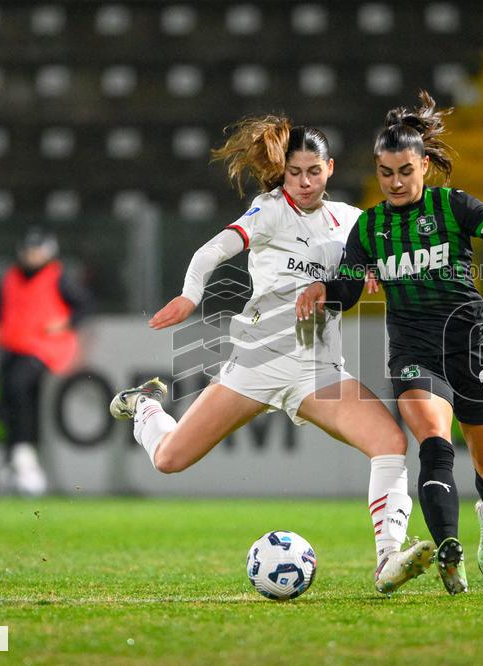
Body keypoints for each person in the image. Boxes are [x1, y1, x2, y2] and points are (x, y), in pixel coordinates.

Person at [108, 116, 435, 595]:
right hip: (256, 364)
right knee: (170, 459)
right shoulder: (268, 211)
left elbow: (373, 271)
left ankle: (388, 558)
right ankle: (147, 406)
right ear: (283, 173)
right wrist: (190, 295)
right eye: (294, 172)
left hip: (317, 370)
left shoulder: (350, 221)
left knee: (389, 442)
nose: (304, 183)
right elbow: (212, 250)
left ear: (330, 169)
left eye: (313, 172)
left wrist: (368, 277)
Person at [296, 91, 483, 594]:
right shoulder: (368, 228)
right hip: (412, 348)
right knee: (434, 447)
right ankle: (449, 549)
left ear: (425, 166)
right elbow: (347, 293)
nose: (393, 182)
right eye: (385, 172)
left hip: (471, 343)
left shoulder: (454, 206)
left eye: (404, 171)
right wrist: (328, 286)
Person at [0, 227, 93, 496]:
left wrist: (66, 324)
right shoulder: (11, 276)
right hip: (11, 347)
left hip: (42, 348)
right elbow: (1, 311)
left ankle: (25, 457)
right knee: (10, 403)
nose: (32, 254)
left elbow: (84, 305)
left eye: (37, 249)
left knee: (20, 388)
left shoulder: (57, 276)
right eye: (29, 249)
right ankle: (13, 462)